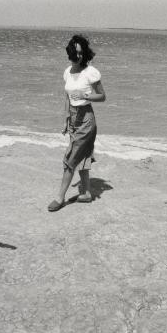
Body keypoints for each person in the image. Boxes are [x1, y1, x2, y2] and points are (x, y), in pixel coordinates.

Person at [48, 34, 106, 212]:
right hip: (73, 118)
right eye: (76, 52)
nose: (79, 56)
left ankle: (59, 198)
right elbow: (67, 95)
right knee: (82, 157)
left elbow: (102, 96)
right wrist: (66, 118)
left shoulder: (91, 72)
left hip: (87, 119)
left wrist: (86, 95)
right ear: (70, 52)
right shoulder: (67, 72)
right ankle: (87, 193)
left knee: (70, 159)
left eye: (82, 53)